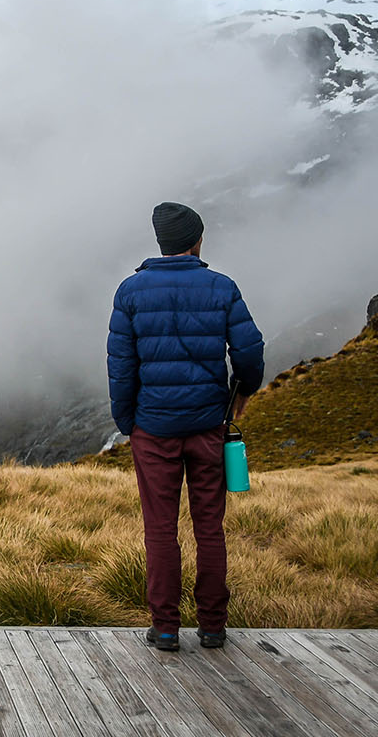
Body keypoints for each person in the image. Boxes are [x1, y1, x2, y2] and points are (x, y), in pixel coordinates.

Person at [107, 202, 264, 652]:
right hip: (207, 426)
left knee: (160, 529)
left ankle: (166, 628)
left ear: (161, 243)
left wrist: (127, 422)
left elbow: (121, 366)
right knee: (209, 528)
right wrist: (242, 393)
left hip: (153, 430)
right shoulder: (221, 287)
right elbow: (250, 351)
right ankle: (213, 626)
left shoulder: (130, 291)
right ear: (197, 241)